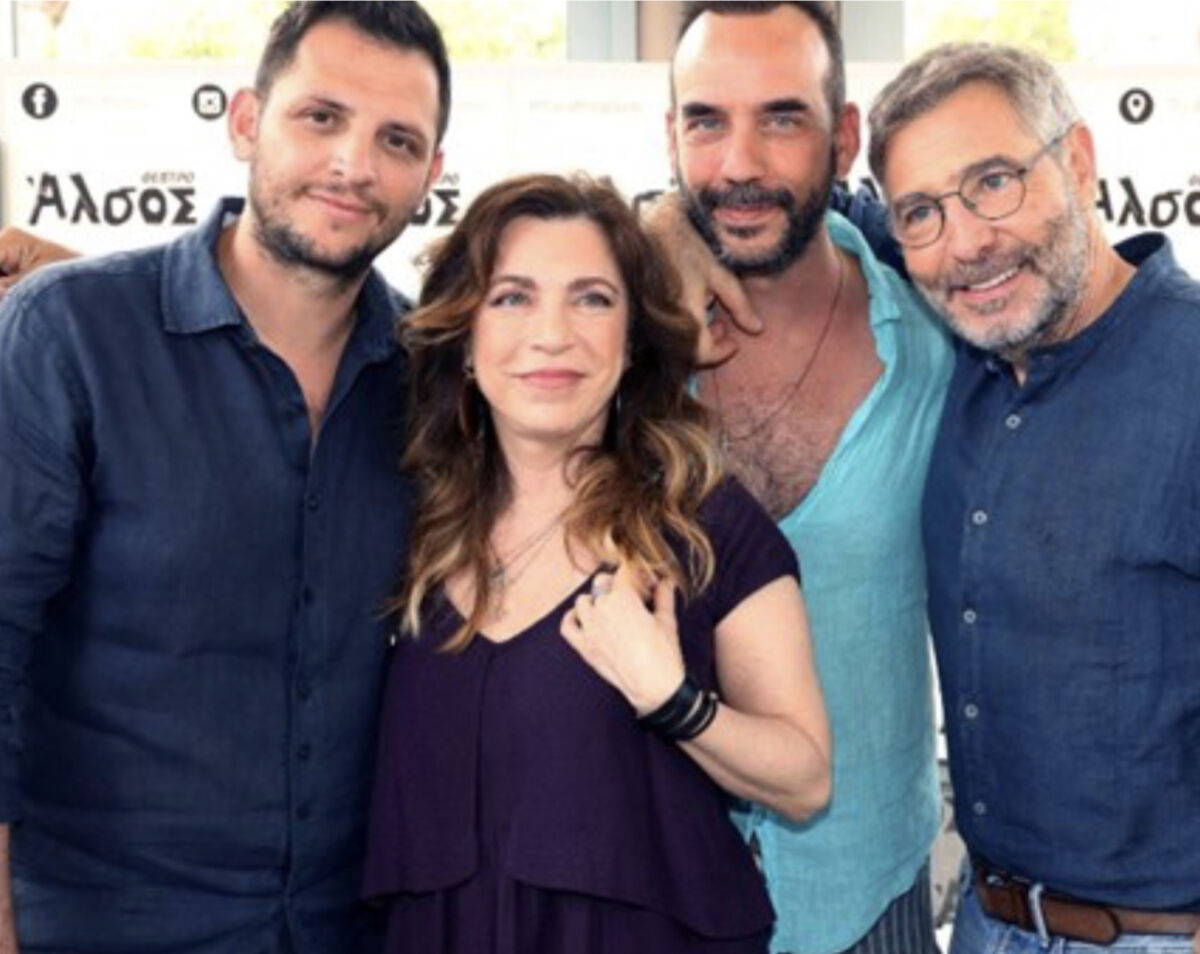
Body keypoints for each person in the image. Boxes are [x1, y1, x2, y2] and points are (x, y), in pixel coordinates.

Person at [0, 3, 448, 951]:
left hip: (350, 928)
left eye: (397, 140)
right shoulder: (67, 339)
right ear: (246, 121)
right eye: (321, 117)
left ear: (431, 175)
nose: (354, 164)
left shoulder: (438, 381)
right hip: (100, 926)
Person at [362, 173, 831, 954]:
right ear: (465, 339)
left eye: (591, 299)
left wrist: (672, 700)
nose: (553, 334)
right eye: (512, 298)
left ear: (633, 339)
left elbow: (806, 779)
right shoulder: (408, 525)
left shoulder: (704, 527)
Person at [868, 42, 1200, 954]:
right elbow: (774, 201)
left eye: (994, 182)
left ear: (1080, 162)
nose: (967, 241)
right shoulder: (964, 353)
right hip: (985, 924)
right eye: (922, 212)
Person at [659, 5, 953, 953]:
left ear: (845, 137)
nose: (739, 162)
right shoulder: (608, 347)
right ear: (670, 137)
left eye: (782, 118)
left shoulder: (944, 345)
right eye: (707, 120)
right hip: (650, 894)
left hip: (869, 898)